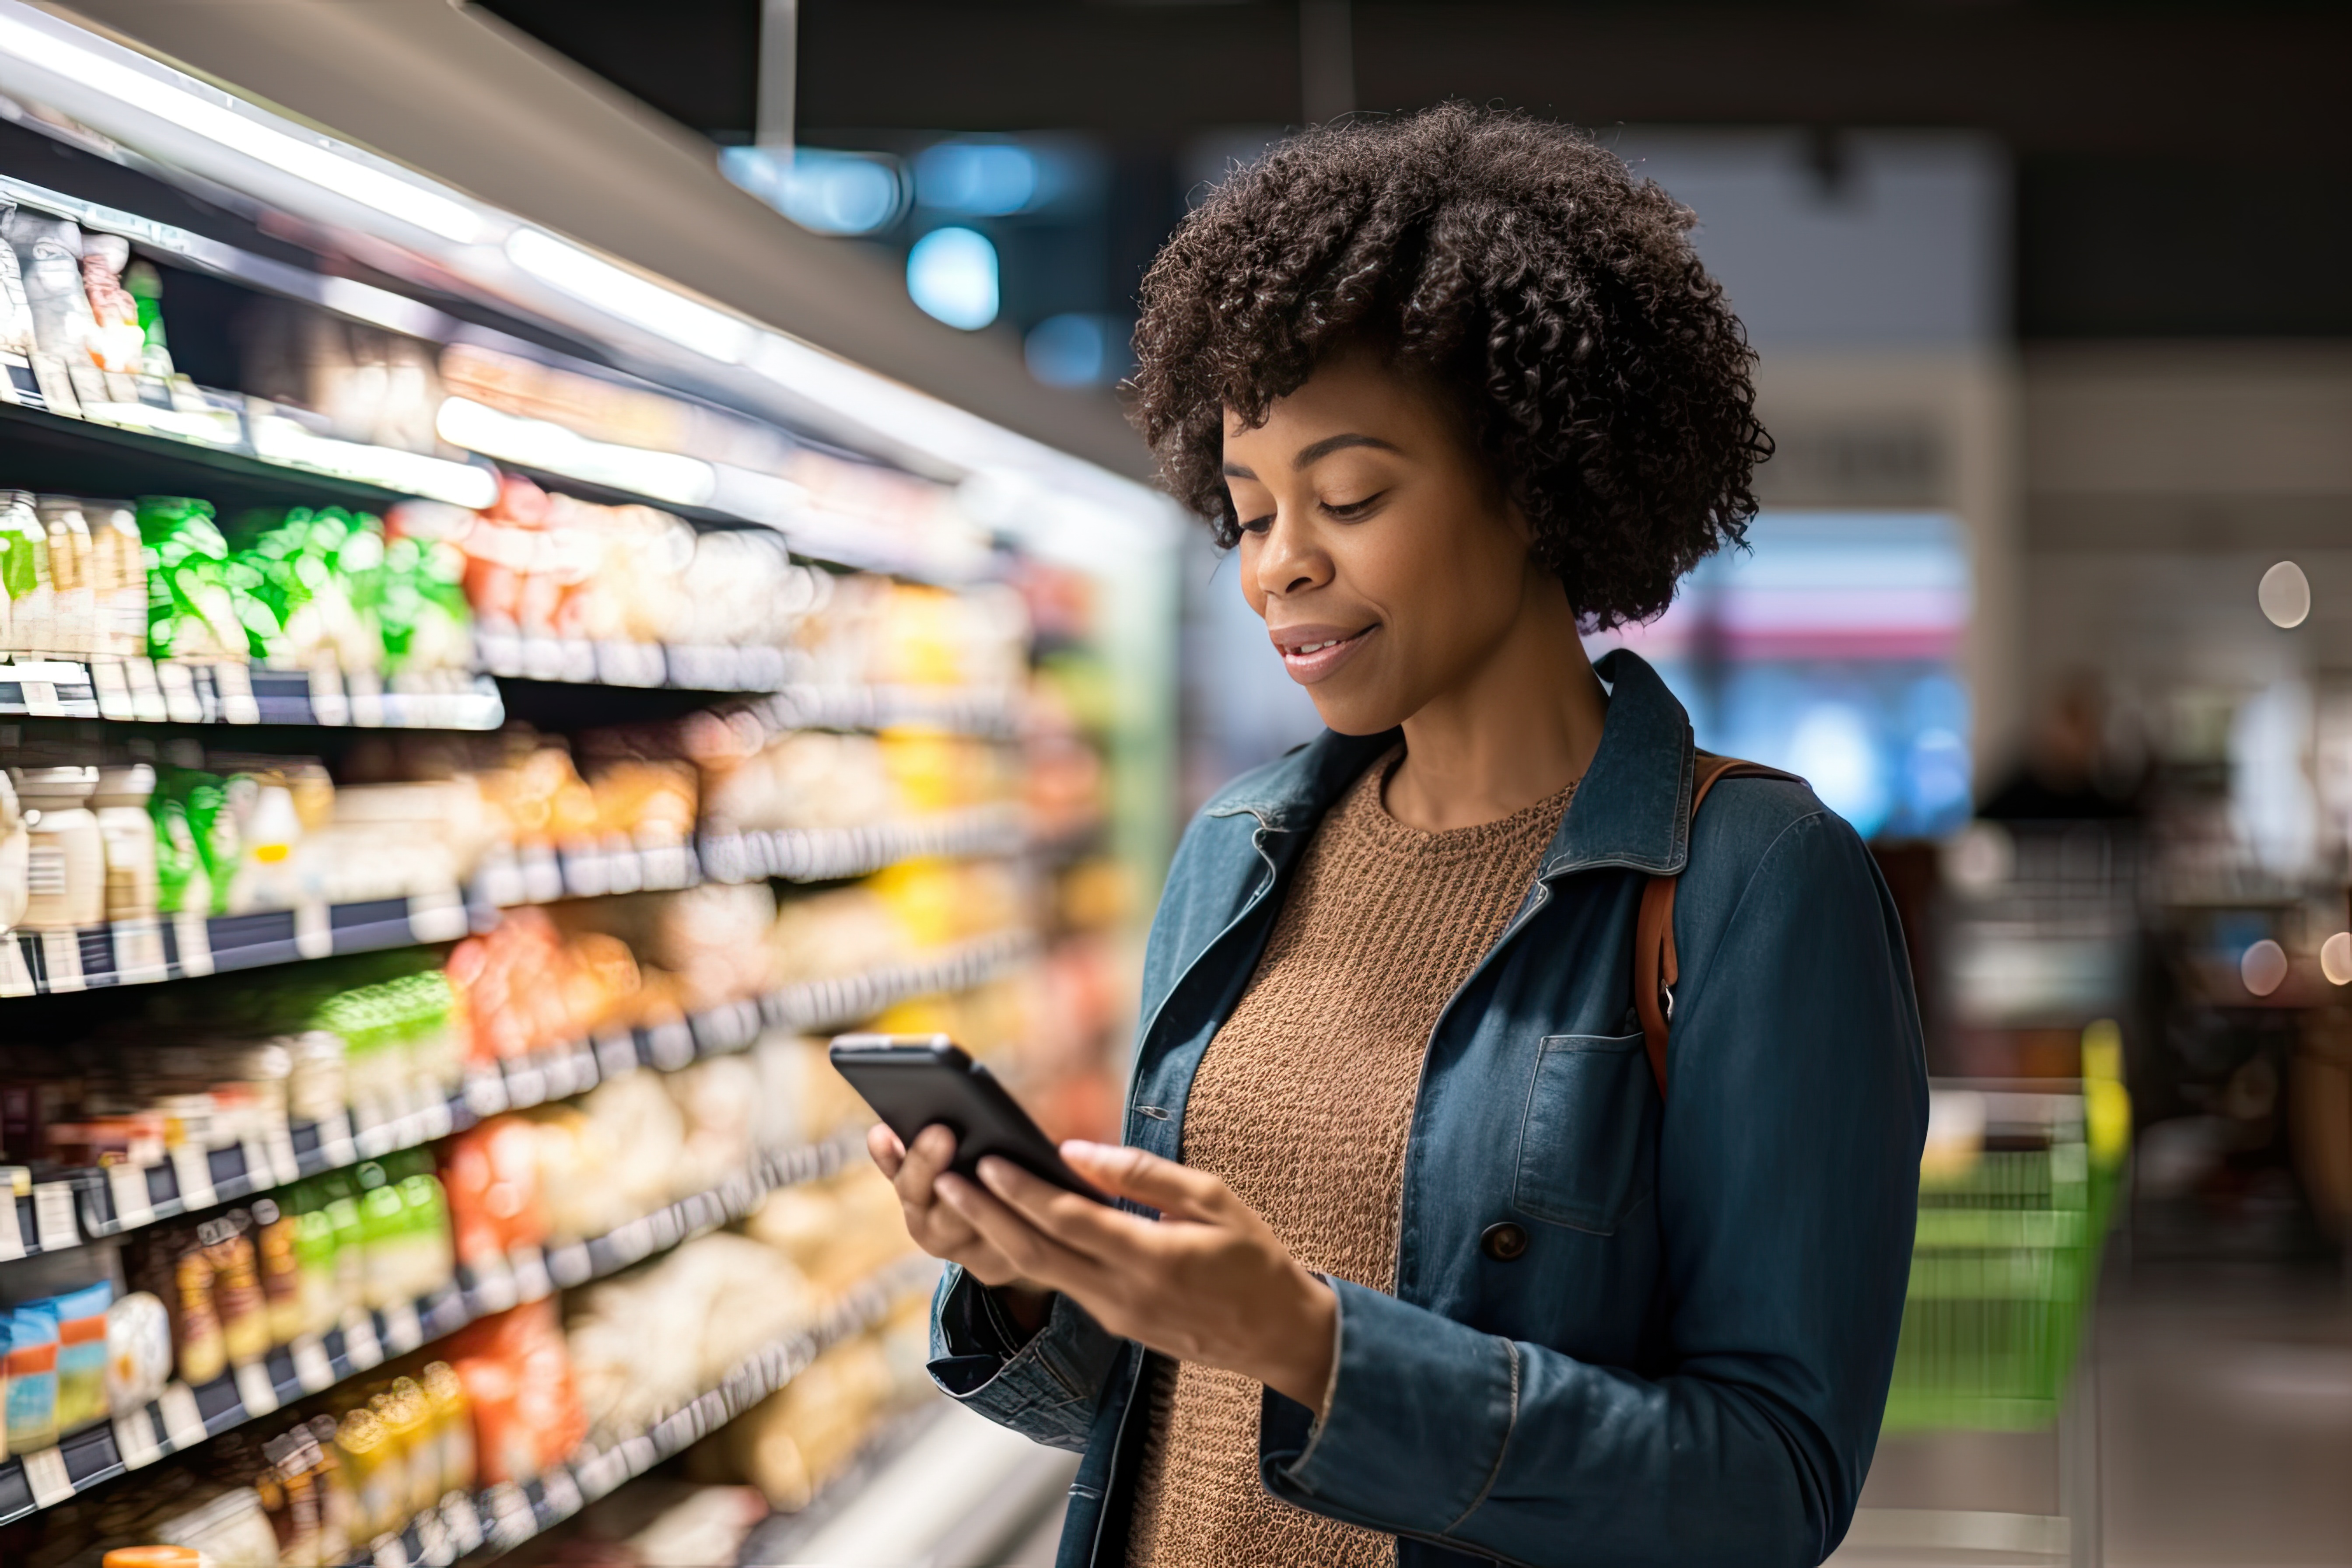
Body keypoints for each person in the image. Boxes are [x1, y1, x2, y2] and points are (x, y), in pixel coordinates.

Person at [872, 104, 1927, 1568]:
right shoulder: (1234, 853)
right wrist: (1038, 1277)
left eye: (1350, 497)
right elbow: (1160, 1411)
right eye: (1246, 515)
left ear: (1533, 481)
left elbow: (1768, 1490)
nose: (1280, 565)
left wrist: (1320, 1346)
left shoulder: (1753, 883)